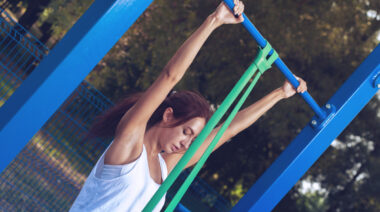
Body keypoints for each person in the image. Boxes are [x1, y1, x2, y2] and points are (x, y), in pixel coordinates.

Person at [69, 1, 307, 211]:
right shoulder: (130, 143)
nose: (186, 143)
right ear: (169, 115)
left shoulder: (165, 167)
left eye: (192, 139)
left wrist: (279, 94)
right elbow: (170, 76)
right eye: (187, 132)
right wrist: (214, 21)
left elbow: (226, 131)